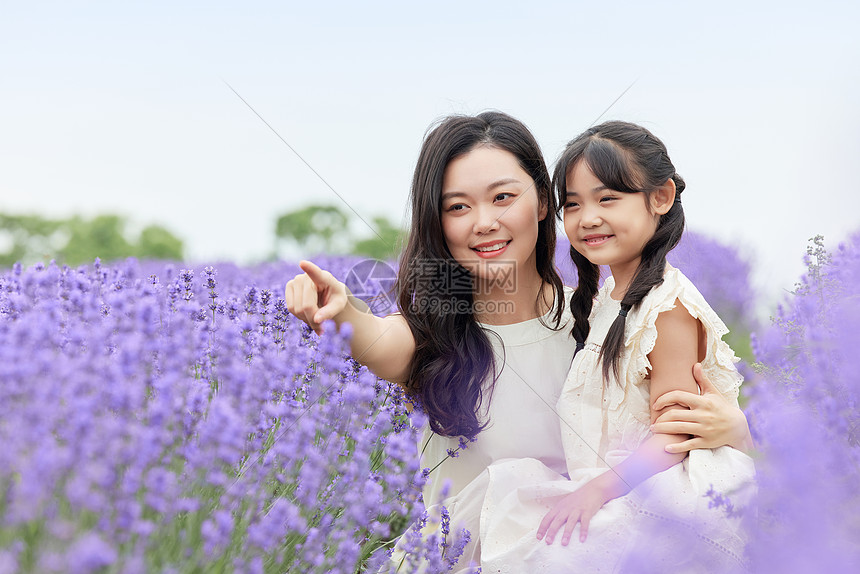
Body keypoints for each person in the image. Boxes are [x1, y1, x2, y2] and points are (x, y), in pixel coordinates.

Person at [284, 112, 753, 571]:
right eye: (457, 207)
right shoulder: (433, 331)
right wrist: (341, 309)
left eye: (503, 197)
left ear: (544, 203)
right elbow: (376, 339)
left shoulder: (605, 318)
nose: (483, 222)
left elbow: (684, 449)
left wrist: (735, 432)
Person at [479, 121, 756, 573]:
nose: (587, 217)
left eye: (608, 198)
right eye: (573, 204)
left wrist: (598, 490)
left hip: (663, 494)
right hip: (622, 483)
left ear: (661, 198)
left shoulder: (667, 309)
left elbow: (676, 433)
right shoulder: (609, 298)